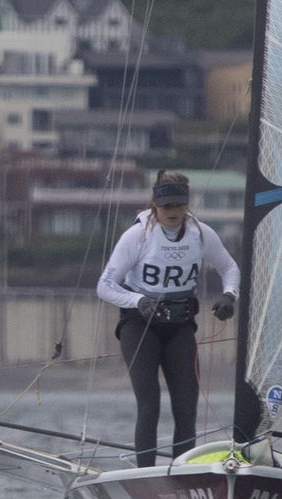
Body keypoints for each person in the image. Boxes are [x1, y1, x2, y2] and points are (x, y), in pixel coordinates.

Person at [96, 171, 241, 467]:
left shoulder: (201, 234)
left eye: (178, 206)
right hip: (139, 325)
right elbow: (105, 285)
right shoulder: (137, 236)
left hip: (180, 326)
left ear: (186, 204)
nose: (172, 213)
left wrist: (229, 295)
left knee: (186, 407)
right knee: (150, 404)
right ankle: (145, 473)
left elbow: (230, 268)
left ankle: (183, 472)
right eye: (166, 207)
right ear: (154, 205)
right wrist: (139, 300)